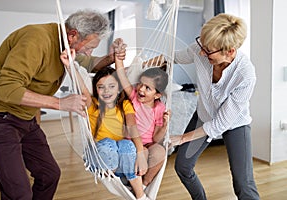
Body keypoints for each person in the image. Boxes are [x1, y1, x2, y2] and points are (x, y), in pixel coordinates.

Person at [0, 9, 123, 200]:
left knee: (49, 175)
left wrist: (111, 57)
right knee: (19, 193)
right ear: (73, 35)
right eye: (90, 46)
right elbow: (6, 88)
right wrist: (59, 103)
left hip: (25, 118)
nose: (89, 52)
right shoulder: (37, 39)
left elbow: (90, 62)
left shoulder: (69, 45)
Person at [168, 13, 260, 199]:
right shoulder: (200, 50)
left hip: (235, 123)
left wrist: (182, 138)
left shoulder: (245, 74)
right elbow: (173, 58)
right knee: (183, 167)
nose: (202, 52)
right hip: (204, 114)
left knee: (243, 183)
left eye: (208, 51)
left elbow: (219, 124)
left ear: (230, 51)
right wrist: (141, 65)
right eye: (202, 46)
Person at [60, 49, 150, 200]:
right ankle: (116, 175)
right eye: (101, 87)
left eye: (111, 86)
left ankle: (140, 196)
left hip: (120, 158)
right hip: (99, 157)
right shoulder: (93, 104)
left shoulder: (125, 105)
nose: (106, 91)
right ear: (96, 89)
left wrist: (140, 153)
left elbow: (133, 128)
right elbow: (81, 87)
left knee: (126, 145)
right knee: (109, 144)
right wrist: (70, 67)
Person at [114, 41, 170, 188]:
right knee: (143, 152)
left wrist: (164, 126)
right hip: (132, 143)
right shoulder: (133, 97)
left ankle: (145, 184)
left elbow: (156, 138)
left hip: (149, 144)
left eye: (147, 88)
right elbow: (121, 75)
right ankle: (133, 184)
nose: (141, 89)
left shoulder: (159, 108)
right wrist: (118, 59)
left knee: (160, 152)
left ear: (157, 95)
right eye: (140, 84)